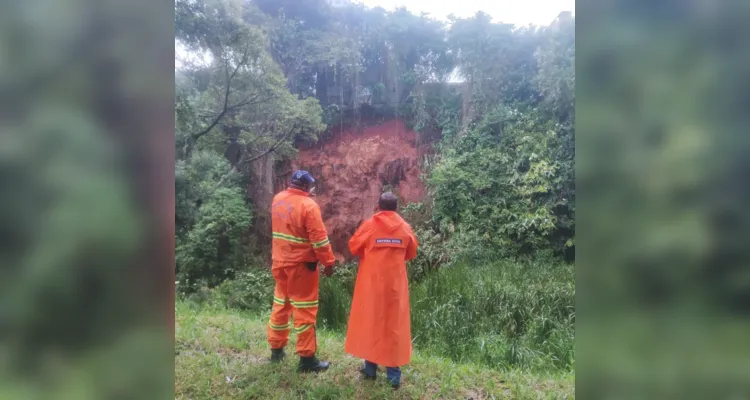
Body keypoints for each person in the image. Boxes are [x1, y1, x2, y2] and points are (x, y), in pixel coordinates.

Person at [344, 192, 419, 389]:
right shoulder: (404, 227)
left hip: (372, 286)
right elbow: (411, 252)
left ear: (378, 206)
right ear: (396, 208)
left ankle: (370, 370)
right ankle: (393, 378)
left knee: (372, 323)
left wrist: (369, 254)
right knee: (394, 328)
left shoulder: (369, 226)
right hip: (395, 289)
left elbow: (353, 246)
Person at [267, 170, 336, 373]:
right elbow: (319, 240)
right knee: (304, 309)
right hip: (301, 266)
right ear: (306, 187)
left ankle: (276, 351)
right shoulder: (308, 206)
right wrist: (328, 263)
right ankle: (307, 360)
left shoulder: (278, 199)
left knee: (281, 304)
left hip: (279, 262)